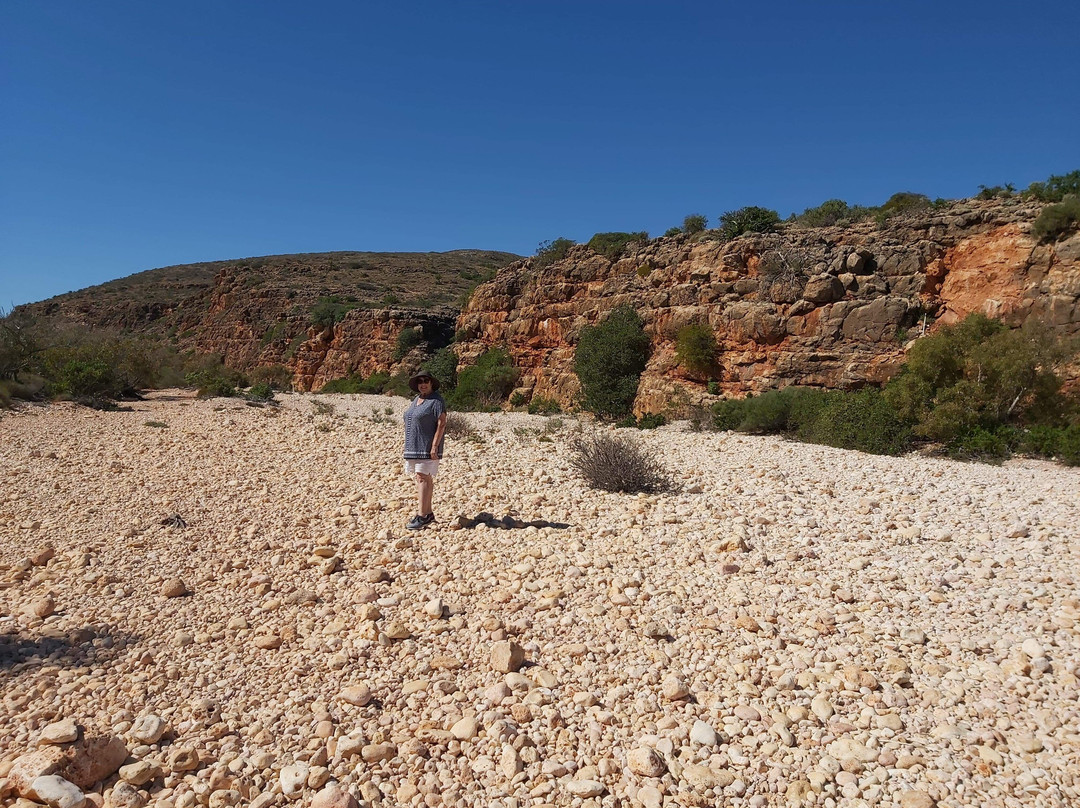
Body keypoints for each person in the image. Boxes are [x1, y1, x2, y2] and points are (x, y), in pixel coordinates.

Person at [402, 371, 447, 530]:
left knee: (422, 477)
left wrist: (434, 446)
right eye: (420, 381)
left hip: (427, 446)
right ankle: (427, 513)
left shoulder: (436, 401)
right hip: (414, 446)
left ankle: (421, 516)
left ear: (431, 383)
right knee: (423, 478)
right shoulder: (417, 400)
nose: (423, 384)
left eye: (426, 380)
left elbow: (442, 423)